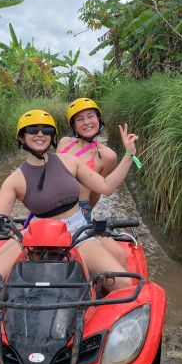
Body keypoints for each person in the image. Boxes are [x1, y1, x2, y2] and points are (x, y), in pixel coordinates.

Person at [0, 108, 139, 293]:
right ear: (22, 137)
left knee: (123, 283)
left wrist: (129, 154)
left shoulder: (70, 161)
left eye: (46, 130)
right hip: (36, 236)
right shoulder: (14, 180)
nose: (40, 134)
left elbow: (106, 186)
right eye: (33, 130)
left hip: (77, 232)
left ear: (52, 136)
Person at [58, 97, 127, 265]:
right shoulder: (64, 143)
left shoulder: (107, 156)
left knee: (119, 255)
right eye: (80, 119)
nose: (87, 122)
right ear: (73, 125)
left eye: (90, 116)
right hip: (51, 211)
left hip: (80, 213)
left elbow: (98, 193)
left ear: (98, 119)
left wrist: (83, 215)